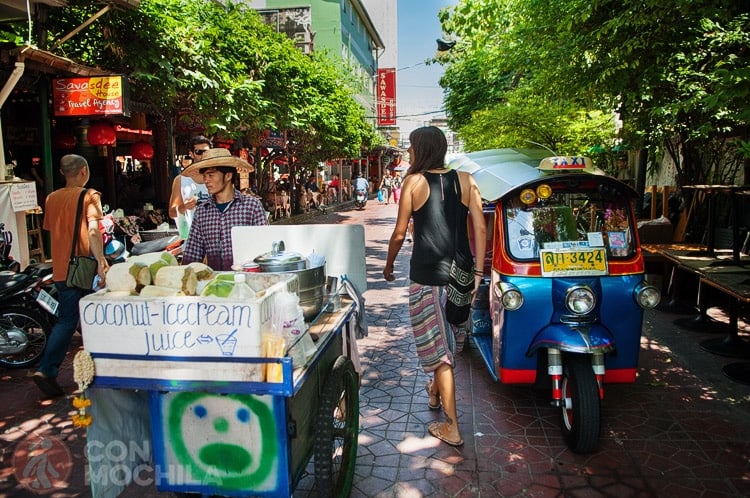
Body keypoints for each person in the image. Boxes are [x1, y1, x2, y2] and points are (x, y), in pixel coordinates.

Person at [383, 126, 486, 447]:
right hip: (462, 275)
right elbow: (480, 227)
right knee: (450, 337)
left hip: (427, 277)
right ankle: (434, 392)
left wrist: (388, 265)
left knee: (440, 353)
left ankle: (452, 427)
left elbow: (400, 234)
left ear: (421, 149)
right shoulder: (467, 180)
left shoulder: (412, 183)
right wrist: (479, 271)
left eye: (412, 148)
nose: (409, 153)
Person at [32, 154, 109, 397]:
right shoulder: (89, 196)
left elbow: (51, 230)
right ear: (84, 171)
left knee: (67, 320)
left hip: (61, 269)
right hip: (83, 269)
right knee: (91, 318)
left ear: (62, 173)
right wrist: (101, 261)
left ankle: (52, 369)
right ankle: (97, 368)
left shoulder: (51, 198)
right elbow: (94, 231)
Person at [180, 148, 268, 271]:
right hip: (215, 283)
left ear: (228, 176)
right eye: (204, 176)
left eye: (211, 175)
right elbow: (193, 254)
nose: (206, 181)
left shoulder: (251, 206)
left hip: (246, 279)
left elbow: (264, 248)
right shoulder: (202, 212)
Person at [169, 135, 211, 239]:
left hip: (215, 235)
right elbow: (172, 212)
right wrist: (184, 206)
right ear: (191, 154)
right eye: (199, 152)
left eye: (206, 152)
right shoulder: (181, 180)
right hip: (192, 237)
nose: (203, 155)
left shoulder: (218, 177)